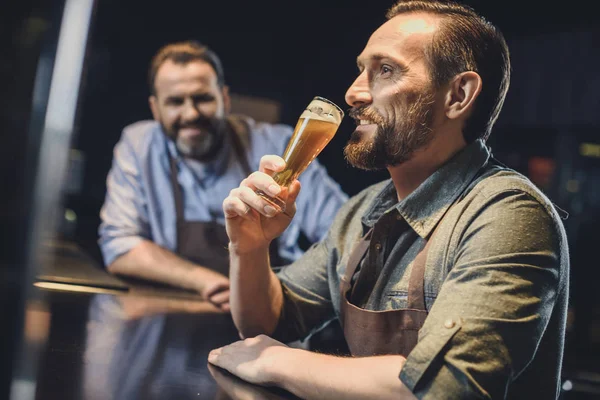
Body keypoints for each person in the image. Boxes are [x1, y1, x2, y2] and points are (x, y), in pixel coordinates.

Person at [207, 1, 570, 399]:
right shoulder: (361, 211)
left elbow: (445, 387)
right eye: (361, 69)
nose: (353, 92)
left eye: (385, 70)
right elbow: (270, 322)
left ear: (458, 95)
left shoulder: (507, 214)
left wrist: (275, 361)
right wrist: (250, 248)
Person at [98, 41, 348, 310]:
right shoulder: (138, 145)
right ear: (155, 108)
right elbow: (119, 246)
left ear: (225, 99)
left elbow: (343, 234)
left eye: (202, 98)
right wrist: (207, 281)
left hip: (272, 312)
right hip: (175, 312)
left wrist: (280, 292)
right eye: (174, 102)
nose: (190, 113)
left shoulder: (278, 145)